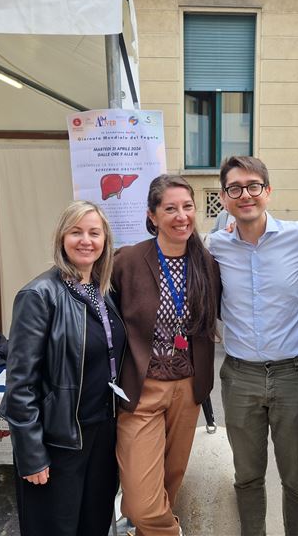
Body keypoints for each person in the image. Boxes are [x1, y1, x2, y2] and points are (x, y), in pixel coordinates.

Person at [208, 156, 298, 536]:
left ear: (268, 191)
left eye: (253, 186)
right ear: (224, 198)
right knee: (246, 477)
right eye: (234, 188)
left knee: (297, 479)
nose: (245, 195)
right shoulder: (216, 245)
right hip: (240, 376)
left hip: (294, 374)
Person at [0, 200, 127, 536]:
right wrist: (31, 453)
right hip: (58, 442)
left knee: (93, 525)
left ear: (105, 241)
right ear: (61, 238)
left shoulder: (103, 291)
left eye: (94, 233)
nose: (86, 240)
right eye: (76, 232)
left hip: (101, 435)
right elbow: (20, 384)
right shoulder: (39, 295)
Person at [113, 174, 220, 536]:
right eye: (170, 208)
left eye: (187, 207)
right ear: (152, 215)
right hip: (142, 389)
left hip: (188, 389)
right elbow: (98, 308)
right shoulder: (128, 261)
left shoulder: (207, 263)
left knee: (168, 486)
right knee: (141, 501)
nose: (181, 216)